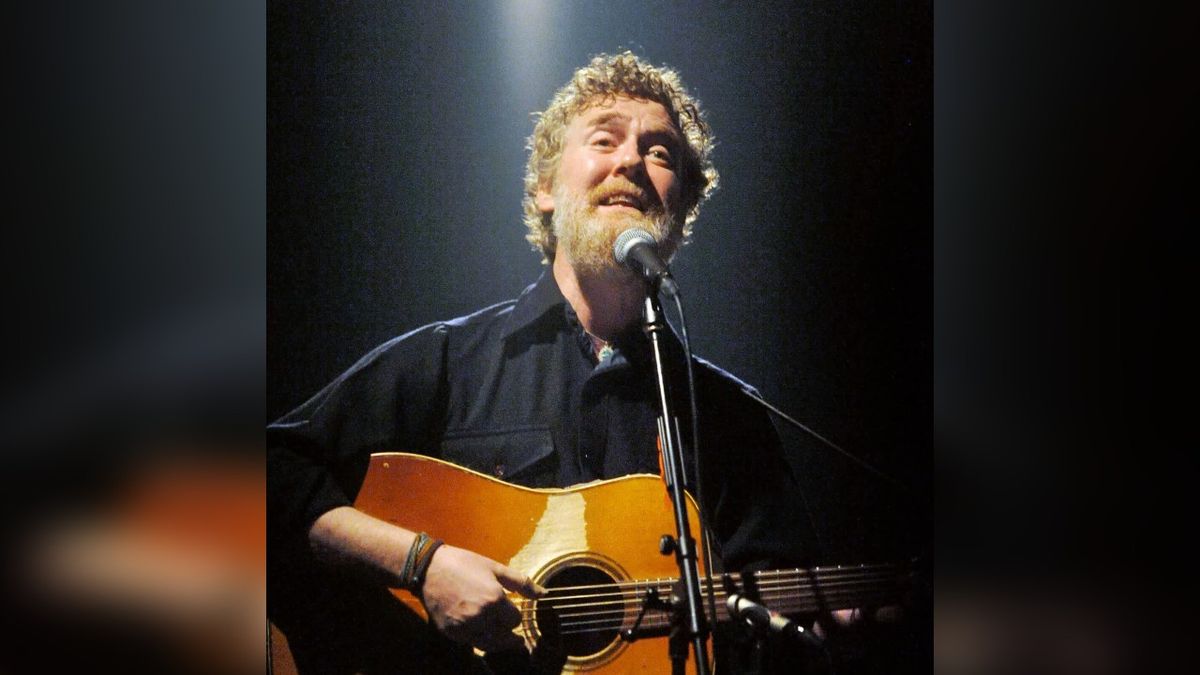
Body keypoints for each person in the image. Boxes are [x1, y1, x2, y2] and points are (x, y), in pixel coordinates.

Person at [268, 52, 854, 674]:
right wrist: (421, 564)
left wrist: (831, 629)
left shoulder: (727, 416)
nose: (632, 161)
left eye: (660, 152)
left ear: (681, 209)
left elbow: (784, 614)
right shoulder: (451, 360)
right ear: (546, 190)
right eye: (605, 139)